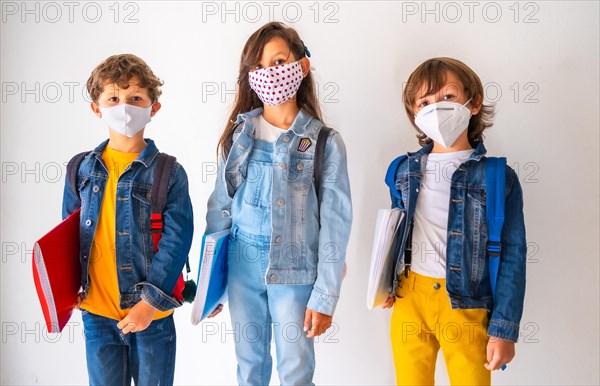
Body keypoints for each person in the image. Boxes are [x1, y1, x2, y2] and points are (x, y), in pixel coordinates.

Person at [205, 22, 352, 385]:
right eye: (258, 66)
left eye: (279, 61)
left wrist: (326, 295)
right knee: (249, 365)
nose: (268, 73)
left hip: (297, 269)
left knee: (296, 369)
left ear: (301, 66)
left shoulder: (324, 143)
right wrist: (211, 285)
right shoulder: (238, 139)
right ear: (249, 77)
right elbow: (220, 209)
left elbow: (336, 222)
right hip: (242, 266)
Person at [382, 57, 527, 385]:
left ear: (473, 102)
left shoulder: (497, 177)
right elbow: (394, 234)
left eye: (447, 97)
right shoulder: (402, 171)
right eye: (425, 102)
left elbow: (513, 256)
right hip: (410, 300)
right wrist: (385, 284)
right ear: (415, 114)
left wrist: (504, 330)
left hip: (466, 304)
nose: (436, 108)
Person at [62, 53, 193, 385]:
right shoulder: (80, 169)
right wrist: (67, 289)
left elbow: (177, 242)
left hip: (153, 316)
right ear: (97, 107)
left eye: (136, 98)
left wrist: (149, 304)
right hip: (98, 315)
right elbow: (66, 235)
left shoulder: (169, 172)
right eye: (113, 98)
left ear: (153, 108)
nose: (124, 106)